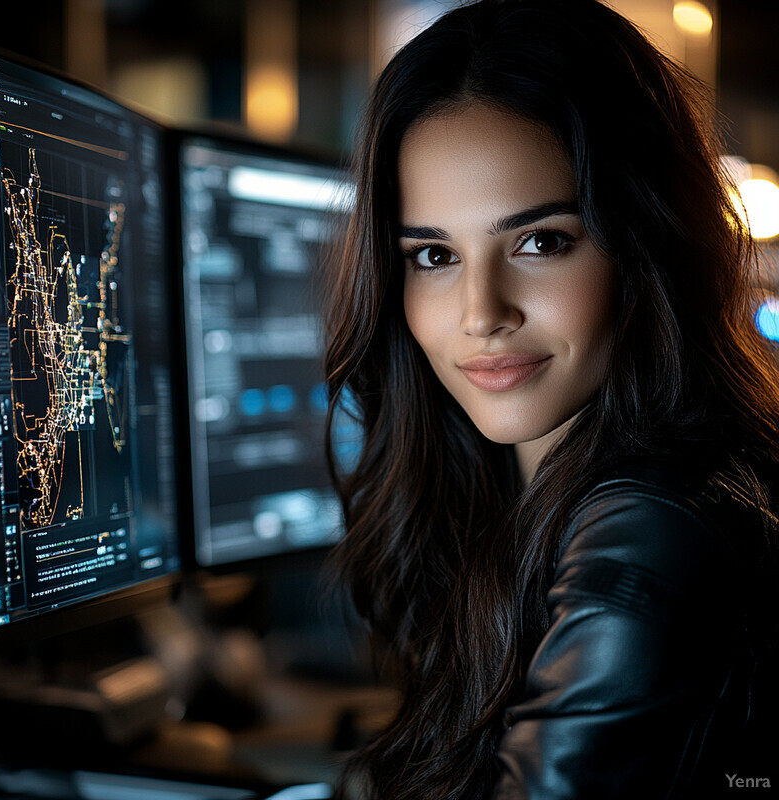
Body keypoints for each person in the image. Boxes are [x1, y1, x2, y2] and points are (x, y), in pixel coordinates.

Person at [322, 1, 779, 797]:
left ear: (648, 244)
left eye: (541, 242)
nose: (480, 313)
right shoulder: (532, 501)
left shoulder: (653, 526)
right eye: (433, 255)